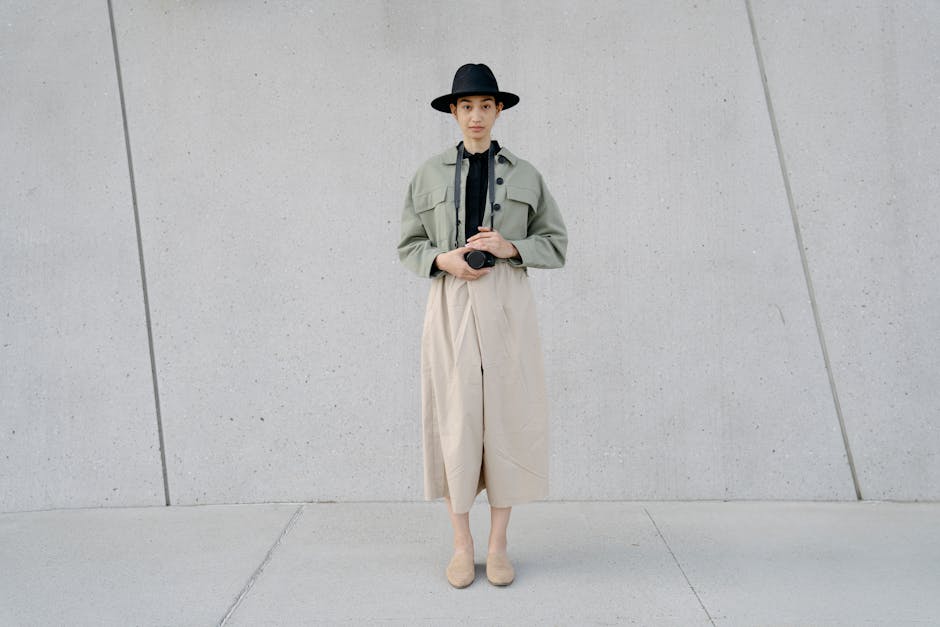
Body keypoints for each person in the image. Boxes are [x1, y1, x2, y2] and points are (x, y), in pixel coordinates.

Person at [398, 63, 567, 588]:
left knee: (507, 419)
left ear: (498, 112)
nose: (475, 116)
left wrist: (510, 246)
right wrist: (441, 261)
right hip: (449, 301)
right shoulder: (427, 174)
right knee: (456, 417)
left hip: (507, 302)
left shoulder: (526, 174)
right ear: (453, 112)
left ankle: (498, 547)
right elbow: (408, 245)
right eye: (466, 106)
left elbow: (556, 244)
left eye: (485, 106)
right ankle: (461, 544)